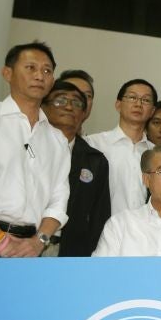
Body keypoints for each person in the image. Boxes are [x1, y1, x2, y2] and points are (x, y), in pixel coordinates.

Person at [0, 41, 70, 258]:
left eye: (46, 71)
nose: (40, 76)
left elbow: (59, 199)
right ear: (7, 73)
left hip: (31, 247)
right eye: (31, 68)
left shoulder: (57, 139)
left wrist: (39, 241)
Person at [42, 80, 111, 257]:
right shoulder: (28, 147)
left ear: (84, 113)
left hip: (73, 252)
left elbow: (99, 216)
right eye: (60, 100)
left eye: (77, 103)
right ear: (43, 106)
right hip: (24, 245)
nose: (69, 107)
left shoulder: (95, 160)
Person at [87, 80, 157, 214]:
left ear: (152, 111)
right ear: (118, 105)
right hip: (102, 231)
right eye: (132, 97)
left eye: (146, 100)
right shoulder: (94, 144)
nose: (138, 104)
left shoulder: (156, 153)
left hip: (146, 231)